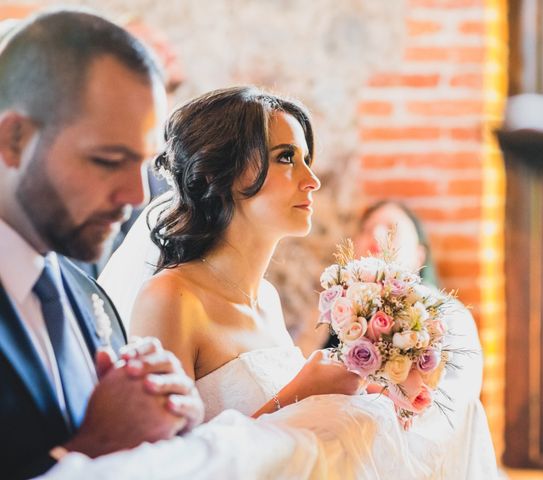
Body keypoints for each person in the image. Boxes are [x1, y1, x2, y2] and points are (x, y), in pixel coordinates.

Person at [99, 87, 499, 478]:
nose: (312, 180)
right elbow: (166, 468)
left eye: (306, 159)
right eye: (286, 157)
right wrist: (302, 392)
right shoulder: (170, 298)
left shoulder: (267, 299)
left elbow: (297, 437)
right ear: (223, 173)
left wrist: (373, 394)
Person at [0, 10, 203, 479]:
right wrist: (93, 449)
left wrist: (169, 423)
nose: (135, 197)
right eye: (107, 160)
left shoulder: (89, 298)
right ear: (14, 138)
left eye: (143, 164)